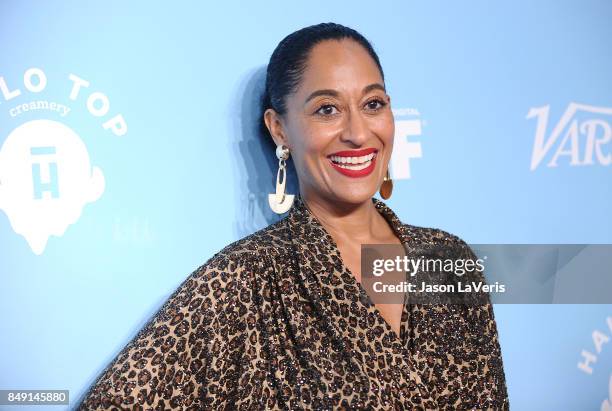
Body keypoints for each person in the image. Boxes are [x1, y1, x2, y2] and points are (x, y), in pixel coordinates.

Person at [77, 22, 509, 410]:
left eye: (373, 104)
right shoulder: (244, 280)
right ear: (279, 128)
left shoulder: (449, 258)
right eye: (327, 109)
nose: (358, 133)